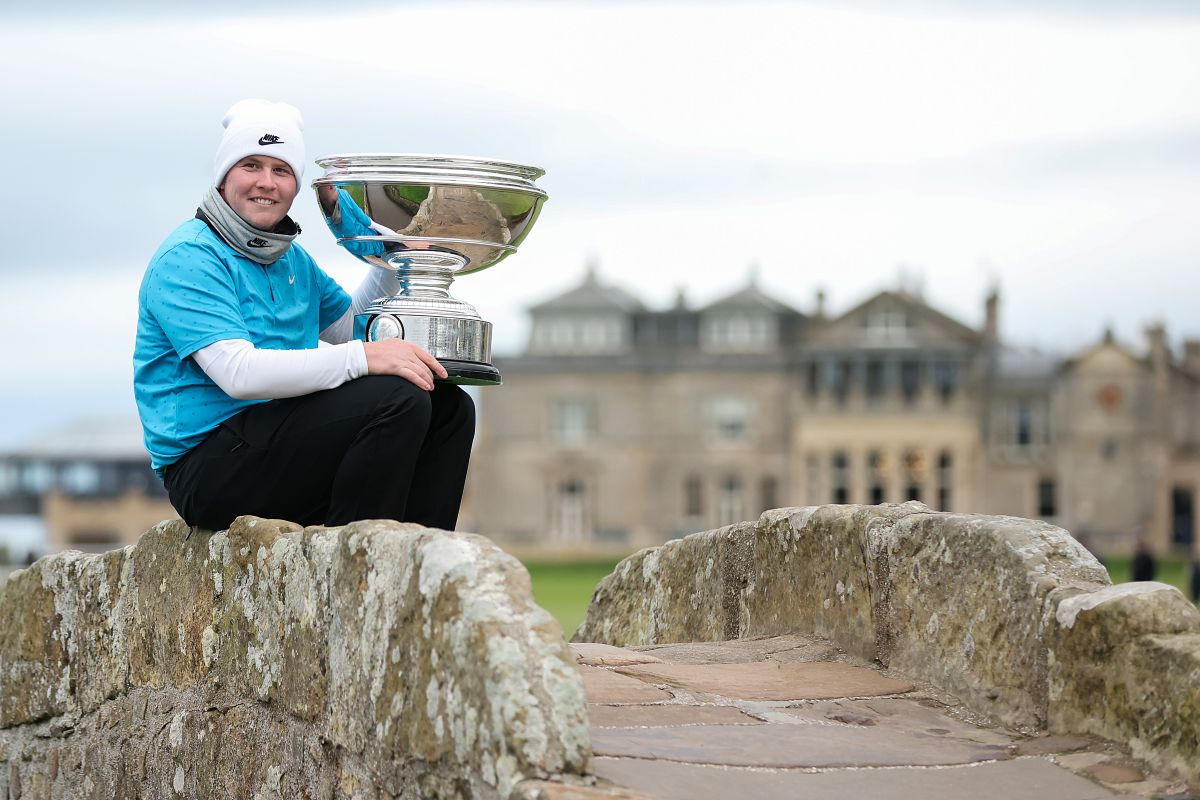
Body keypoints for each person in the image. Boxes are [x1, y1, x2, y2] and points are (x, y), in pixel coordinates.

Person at [133, 99, 475, 532]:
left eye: (281, 171)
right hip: (207, 467)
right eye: (251, 165)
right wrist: (366, 359)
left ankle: (416, 558)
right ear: (223, 178)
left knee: (449, 406)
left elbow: (350, 325)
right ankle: (353, 564)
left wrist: (396, 260)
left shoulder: (290, 259)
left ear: (296, 186)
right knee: (397, 397)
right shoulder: (189, 257)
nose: (266, 183)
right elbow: (238, 374)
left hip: (276, 439)